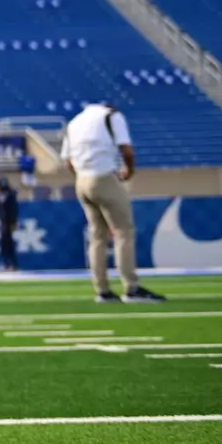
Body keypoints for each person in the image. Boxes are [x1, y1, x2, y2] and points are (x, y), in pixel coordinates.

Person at [59, 101, 164, 303]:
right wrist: (129, 171)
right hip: (104, 176)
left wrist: (83, 174)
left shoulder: (74, 122)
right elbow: (127, 150)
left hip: (82, 180)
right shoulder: (111, 116)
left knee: (97, 236)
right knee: (123, 231)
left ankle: (102, 290)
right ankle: (131, 287)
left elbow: (68, 160)